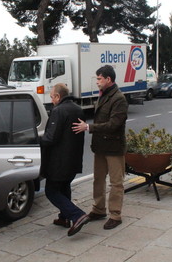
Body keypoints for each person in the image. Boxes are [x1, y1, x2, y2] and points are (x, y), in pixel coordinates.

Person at [72, 65, 128, 230]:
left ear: (108, 79)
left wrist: (89, 127)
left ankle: (115, 215)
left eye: (99, 79)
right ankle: (98, 209)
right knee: (98, 180)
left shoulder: (119, 99)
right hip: (101, 147)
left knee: (116, 183)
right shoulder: (104, 95)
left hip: (114, 148)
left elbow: (114, 125)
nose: (97, 82)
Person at [40, 83, 89, 237]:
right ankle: (64, 218)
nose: (52, 100)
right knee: (64, 187)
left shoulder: (58, 111)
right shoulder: (78, 109)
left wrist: (33, 139)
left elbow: (50, 138)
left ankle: (77, 215)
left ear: (58, 96)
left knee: (51, 191)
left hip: (59, 162)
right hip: (73, 159)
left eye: (52, 97)